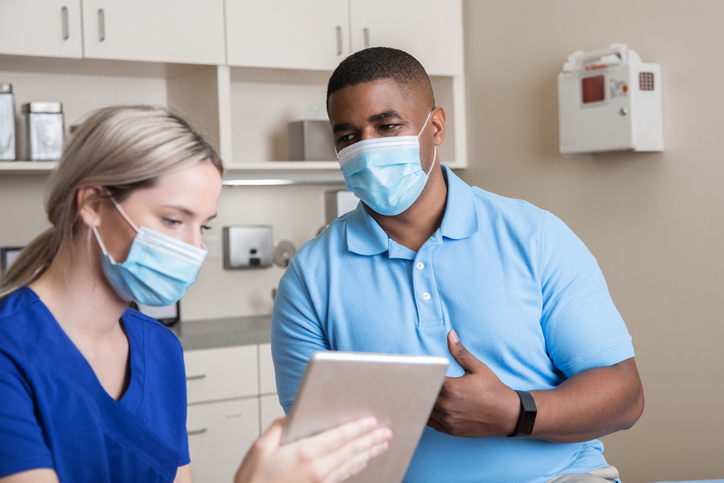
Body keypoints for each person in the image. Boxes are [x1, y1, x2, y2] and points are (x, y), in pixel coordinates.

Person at [271, 47, 644, 483]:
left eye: (387, 125)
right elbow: (315, 449)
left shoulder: (534, 236)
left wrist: (512, 411)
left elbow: (625, 397)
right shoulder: (311, 277)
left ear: (436, 126)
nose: (367, 148)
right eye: (348, 136)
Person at [0, 105, 392, 483]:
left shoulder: (159, 349)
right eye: (173, 220)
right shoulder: (11, 351)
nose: (194, 249)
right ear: (93, 205)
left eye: (202, 226)